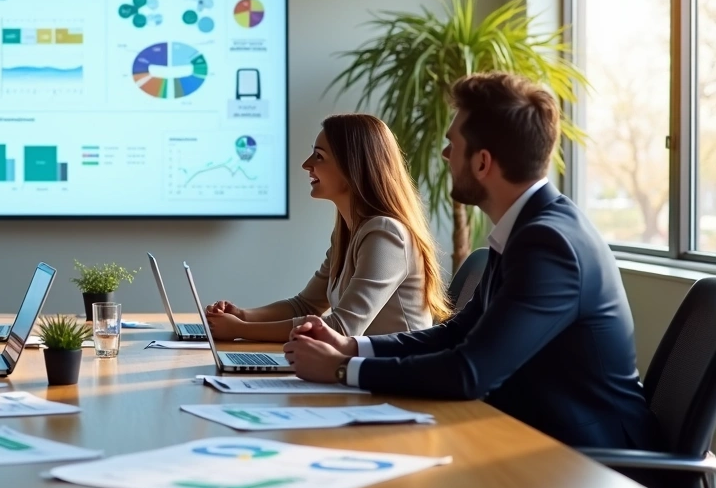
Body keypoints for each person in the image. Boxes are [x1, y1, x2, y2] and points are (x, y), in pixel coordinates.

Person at [282, 73, 661, 452]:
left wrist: (340, 370)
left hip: (591, 458)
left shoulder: (549, 243)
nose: (446, 154)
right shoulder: (526, 228)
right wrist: (350, 348)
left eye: (452, 143)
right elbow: (456, 333)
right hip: (533, 437)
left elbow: (469, 372)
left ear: (482, 162)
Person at [204, 114, 449, 342]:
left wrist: (240, 330)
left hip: (395, 380)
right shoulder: (349, 230)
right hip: (360, 370)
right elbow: (305, 305)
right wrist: (243, 315)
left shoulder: (386, 235)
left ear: (353, 167)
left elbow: (342, 328)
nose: (306, 164)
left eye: (319, 156)